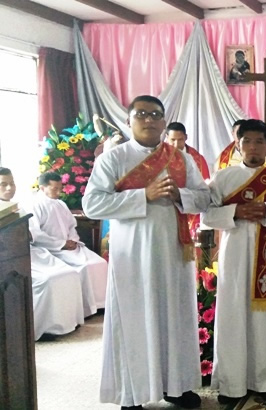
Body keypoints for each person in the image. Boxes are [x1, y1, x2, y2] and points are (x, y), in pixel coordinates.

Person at [82, 95, 210, 409]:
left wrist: (180, 194)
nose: (149, 119)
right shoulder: (113, 159)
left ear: (164, 122)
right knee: (133, 319)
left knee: (175, 317)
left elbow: (204, 198)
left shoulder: (181, 160)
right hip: (132, 255)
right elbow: (92, 205)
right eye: (141, 114)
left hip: (173, 254)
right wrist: (144, 195)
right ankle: (132, 393)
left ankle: (176, 386)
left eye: (155, 114)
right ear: (129, 120)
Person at [202, 119, 266, 404]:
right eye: (247, 142)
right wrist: (236, 212)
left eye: (259, 142)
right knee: (233, 316)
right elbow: (207, 215)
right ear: (238, 144)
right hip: (234, 260)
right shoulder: (223, 178)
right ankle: (232, 384)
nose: (253, 147)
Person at [1, 168, 86, 339]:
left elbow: (32, 234)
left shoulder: (17, 207)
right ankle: (39, 328)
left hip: (30, 252)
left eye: (12, 183)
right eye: (3, 184)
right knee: (46, 280)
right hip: (10, 258)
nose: (10, 188)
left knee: (69, 273)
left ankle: (67, 322)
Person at [28, 172, 108, 317]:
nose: (59, 192)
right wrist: (61, 244)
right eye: (55, 189)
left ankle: (101, 304)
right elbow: (36, 234)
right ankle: (87, 308)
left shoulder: (61, 204)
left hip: (71, 245)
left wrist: (73, 240)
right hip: (53, 249)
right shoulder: (34, 205)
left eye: (60, 188)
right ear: (42, 188)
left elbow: (72, 226)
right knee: (84, 266)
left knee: (99, 263)